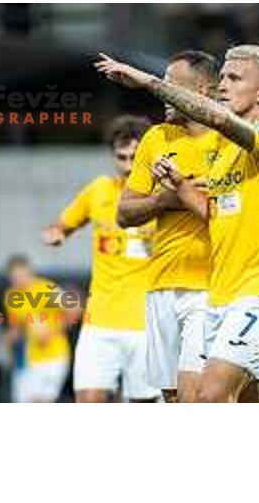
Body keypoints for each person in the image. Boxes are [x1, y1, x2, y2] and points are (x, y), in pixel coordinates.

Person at [95, 44, 259, 402]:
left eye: (234, 78)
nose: (223, 84)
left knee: (207, 398)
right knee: (234, 401)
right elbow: (215, 211)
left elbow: (223, 120)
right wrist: (178, 186)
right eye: (222, 76)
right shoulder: (225, 153)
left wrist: (146, 81)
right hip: (222, 296)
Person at [118, 52, 218, 402]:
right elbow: (124, 213)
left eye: (171, 85)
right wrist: (164, 201)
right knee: (172, 398)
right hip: (160, 284)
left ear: (203, 90)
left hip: (209, 287)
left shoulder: (228, 141)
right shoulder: (156, 137)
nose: (163, 94)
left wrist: (181, 191)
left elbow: (220, 211)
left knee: (194, 397)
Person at [43, 115, 159, 402]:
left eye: (135, 156)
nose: (129, 164)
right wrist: (56, 233)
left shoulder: (163, 195)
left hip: (146, 324)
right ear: (113, 156)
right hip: (100, 321)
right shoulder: (99, 190)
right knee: (88, 400)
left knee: (143, 405)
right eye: (122, 157)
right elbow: (62, 224)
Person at [3, 255, 70, 402]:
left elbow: (74, 309)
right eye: (14, 277)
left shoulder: (46, 288)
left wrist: (52, 331)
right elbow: (17, 327)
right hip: (30, 358)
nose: (19, 280)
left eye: (21, 276)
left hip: (55, 355)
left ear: (30, 272)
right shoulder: (11, 296)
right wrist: (10, 339)